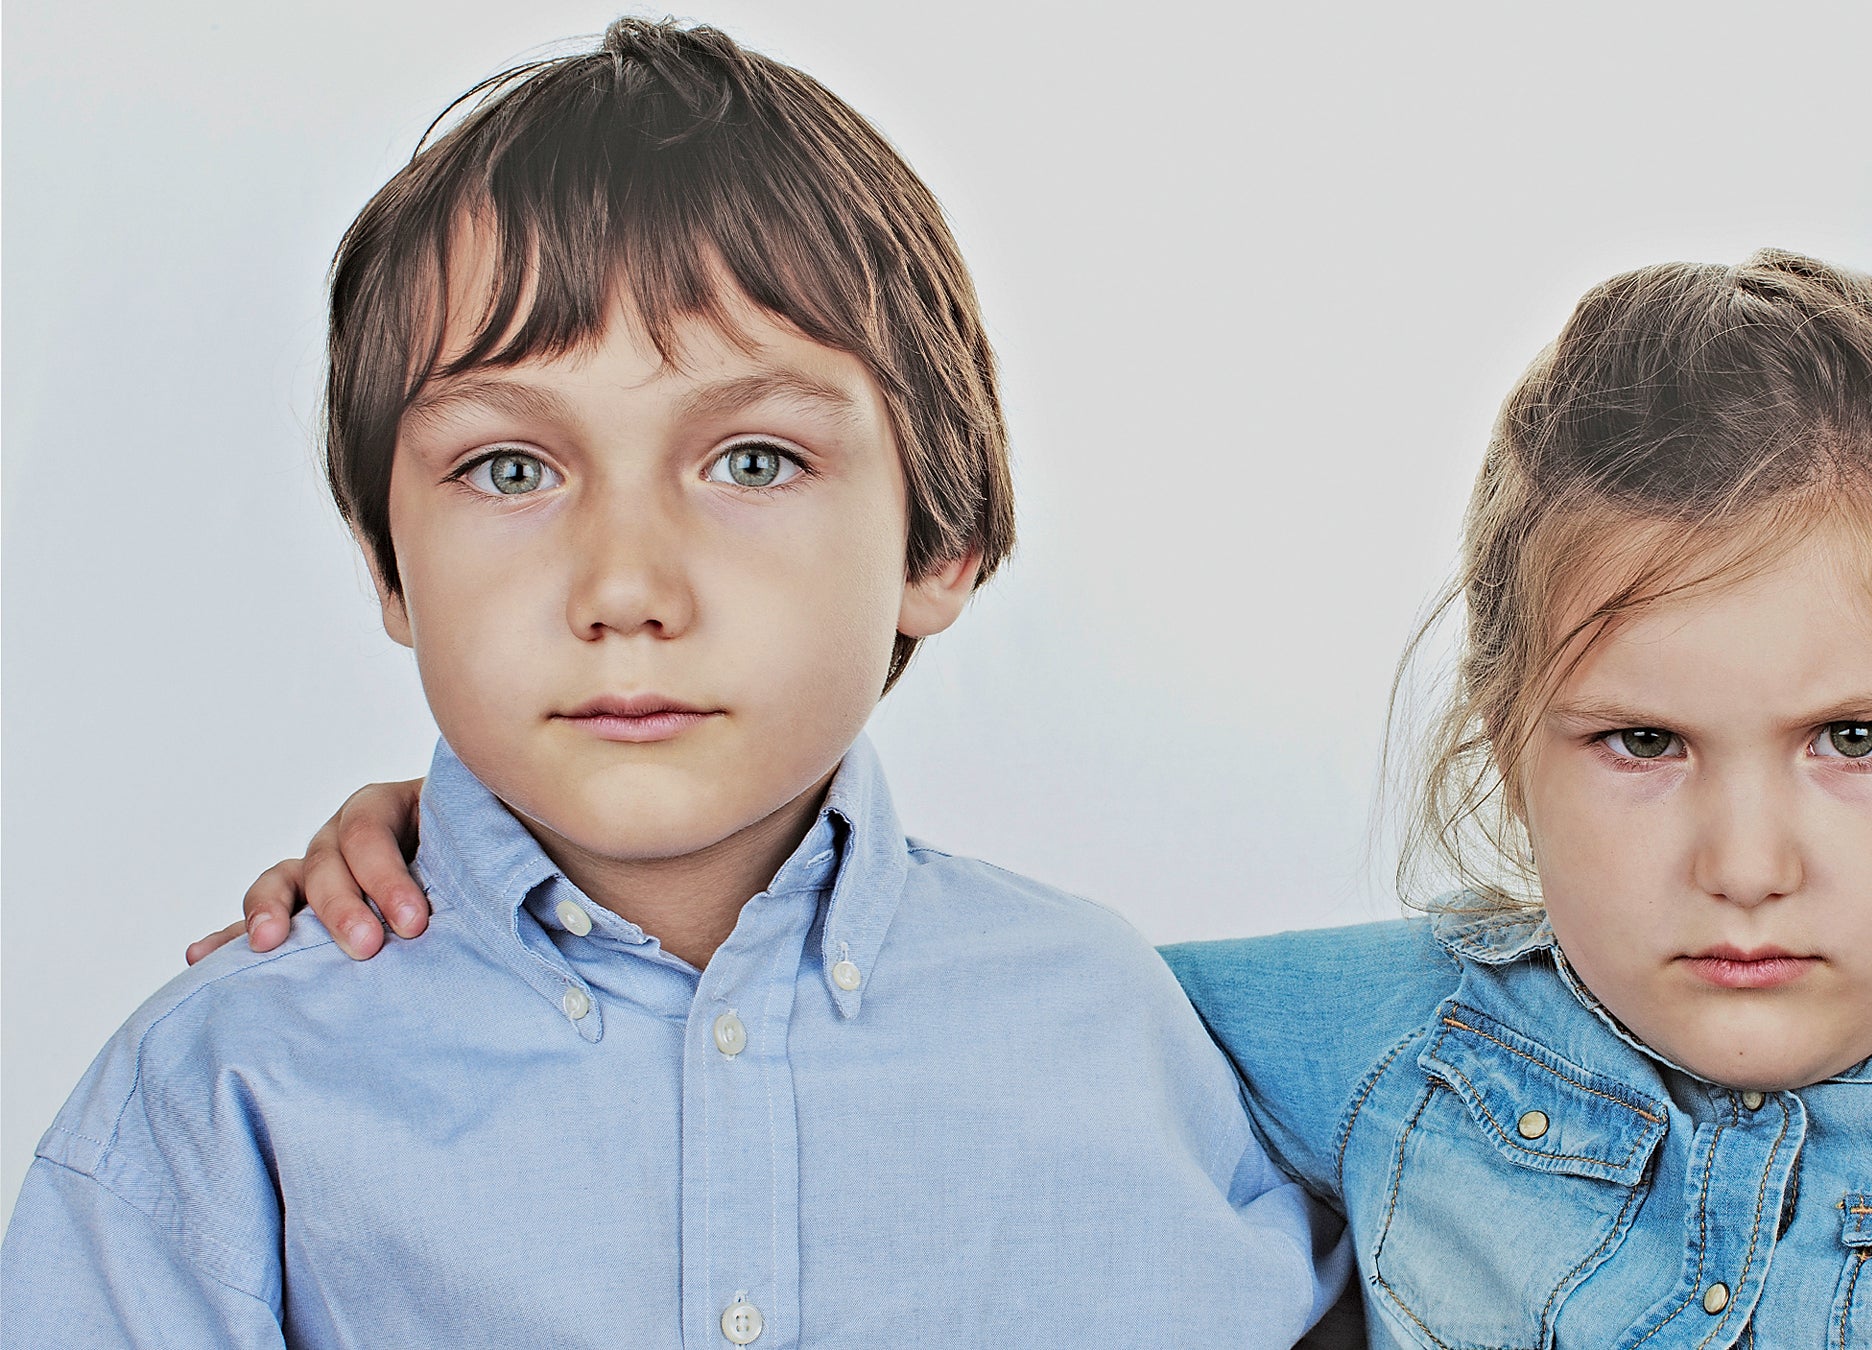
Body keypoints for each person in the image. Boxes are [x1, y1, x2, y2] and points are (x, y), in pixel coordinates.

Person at [230, 251, 1872, 1346]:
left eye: (1857, 740)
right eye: (1641, 745)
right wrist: (516, 831)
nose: (1746, 861)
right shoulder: (1391, 1050)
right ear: (1508, 724)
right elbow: (908, 999)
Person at [0, 19, 1346, 1347]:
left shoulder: (1117, 1032)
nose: (625, 585)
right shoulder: (222, 1098)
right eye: (511, 469)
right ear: (389, 566)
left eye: (753, 460)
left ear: (939, 542)